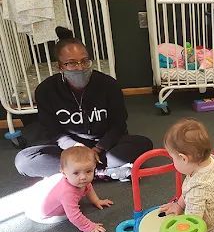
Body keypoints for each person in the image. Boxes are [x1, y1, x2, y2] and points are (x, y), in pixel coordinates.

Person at [15, 26, 153, 180]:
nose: (80, 67)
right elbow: (52, 131)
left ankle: (76, 174)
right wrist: (76, 148)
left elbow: (119, 124)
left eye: (84, 61)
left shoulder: (108, 84)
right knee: (24, 161)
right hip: (68, 147)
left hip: (103, 145)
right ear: (60, 67)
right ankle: (103, 173)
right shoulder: (46, 90)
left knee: (144, 144)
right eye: (72, 63)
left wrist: (99, 147)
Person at [24, 147, 113, 232]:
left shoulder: (79, 181)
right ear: (64, 173)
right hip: (41, 214)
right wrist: (89, 226)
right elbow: (74, 217)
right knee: (70, 213)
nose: (83, 177)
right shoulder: (67, 194)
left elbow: (88, 187)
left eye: (89, 171)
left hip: (42, 199)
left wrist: (96, 200)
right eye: (76, 173)